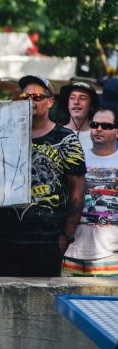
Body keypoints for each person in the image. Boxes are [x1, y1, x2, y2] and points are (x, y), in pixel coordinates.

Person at [0, 75, 86, 277]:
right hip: (2, 240)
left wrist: (67, 236)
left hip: (46, 241)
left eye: (37, 96)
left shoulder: (66, 140)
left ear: (50, 101)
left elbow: (77, 192)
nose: (30, 101)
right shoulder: (2, 135)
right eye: (25, 96)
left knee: (42, 305)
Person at [63, 108, 118, 276]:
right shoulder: (76, 159)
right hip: (72, 252)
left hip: (112, 256)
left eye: (106, 125)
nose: (99, 129)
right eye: (94, 124)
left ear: (117, 132)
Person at [59, 81, 99, 151]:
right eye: (72, 97)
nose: (76, 102)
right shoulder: (55, 133)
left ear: (92, 105)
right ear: (67, 104)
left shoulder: (98, 136)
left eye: (82, 98)